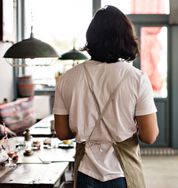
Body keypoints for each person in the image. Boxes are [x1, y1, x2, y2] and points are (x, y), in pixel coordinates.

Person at [53, 5, 159, 188]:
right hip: (123, 173)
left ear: (91, 39)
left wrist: (84, 127)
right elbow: (149, 136)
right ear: (126, 38)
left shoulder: (68, 78)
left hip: (85, 172)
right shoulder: (137, 78)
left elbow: (62, 133)